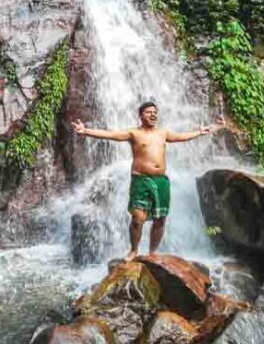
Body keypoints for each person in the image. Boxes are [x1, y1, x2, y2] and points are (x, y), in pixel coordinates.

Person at [71, 101, 222, 261]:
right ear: (141, 115)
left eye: (155, 112)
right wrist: (85, 131)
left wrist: (199, 132)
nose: (153, 114)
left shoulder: (163, 133)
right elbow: (111, 135)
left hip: (161, 181)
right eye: (149, 112)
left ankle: (153, 251)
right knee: (138, 218)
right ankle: (134, 250)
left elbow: (182, 137)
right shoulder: (134, 133)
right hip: (141, 180)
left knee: (160, 218)